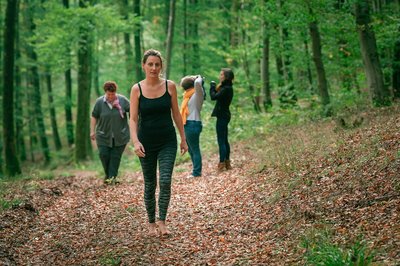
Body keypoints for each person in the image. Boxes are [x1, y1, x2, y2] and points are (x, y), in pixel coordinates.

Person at [129, 49, 188, 236]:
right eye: (150, 64)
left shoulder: (170, 86)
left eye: (157, 64)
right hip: (145, 142)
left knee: (165, 180)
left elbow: (176, 114)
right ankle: (151, 223)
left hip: (167, 141)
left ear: (161, 66)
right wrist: (135, 141)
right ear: (143, 66)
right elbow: (133, 119)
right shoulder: (136, 89)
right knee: (150, 183)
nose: (154, 68)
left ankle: (162, 222)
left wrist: (183, 139)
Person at [90, 81, 130, 184]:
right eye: (109, 94)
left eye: (113, 94)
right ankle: (108, 176)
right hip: (103, 135)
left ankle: (111, 179)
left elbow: (133, 111)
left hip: (120, 135)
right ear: (105, 92)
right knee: (104, 155)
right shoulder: (99, 102)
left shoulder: (123, 101)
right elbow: (94, 116)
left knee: (115, 157)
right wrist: (92, 131)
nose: (111, 96)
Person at [179, 75, 205, 178]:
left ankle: (197, 172)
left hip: (193, 124)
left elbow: (198, 83)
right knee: (190, 148)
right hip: (187, 124)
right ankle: (195, 170)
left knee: (194, 148)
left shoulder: (198, 94)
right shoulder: (187, 96)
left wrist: (198, 77)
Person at [209, 68, 234, 171]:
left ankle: (222, 163)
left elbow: (213, 97)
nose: (220, 76)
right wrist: (215, 87)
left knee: (221, 140)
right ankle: (227, 162)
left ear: (226, 77)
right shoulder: (226, 87)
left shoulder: (226, 88)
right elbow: (217, 95)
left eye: (221, 75)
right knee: (224, 140)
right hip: (224, 115)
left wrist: (212, 87)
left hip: (223, 115)